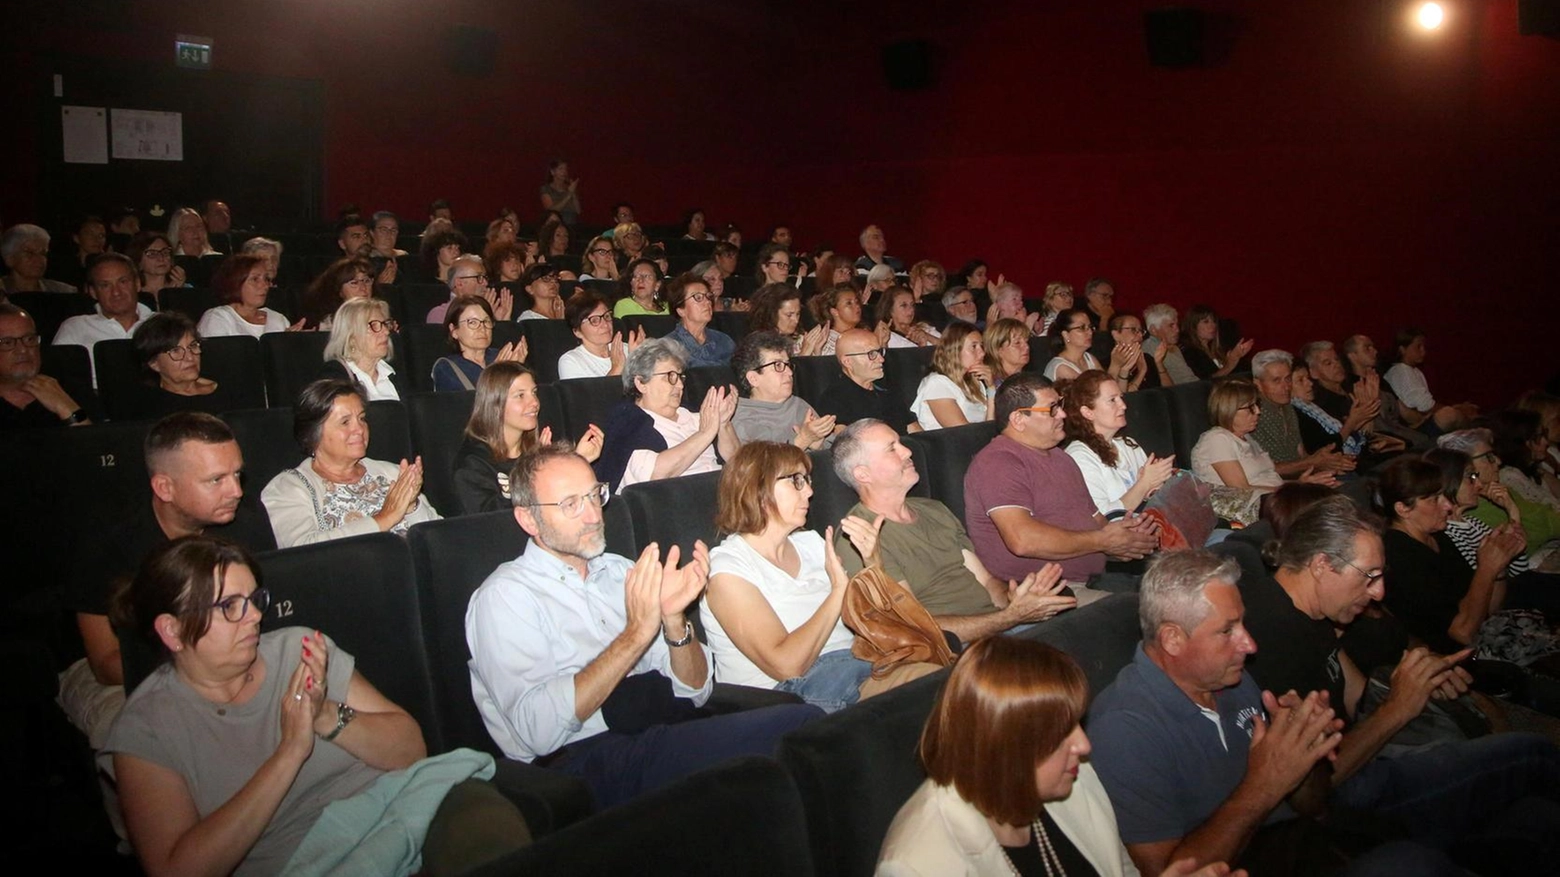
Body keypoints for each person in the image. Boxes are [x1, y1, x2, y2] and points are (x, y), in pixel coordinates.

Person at [105, 536, 522, 876]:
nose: (254, 617)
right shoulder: (147, 726)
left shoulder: (297, 648)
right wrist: (290, 751)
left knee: (483, 824)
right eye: (230, 606)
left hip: (397, 804)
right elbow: (179, 869)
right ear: (172, 630)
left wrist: (327, 716)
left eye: (254, 600)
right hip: (295, 860)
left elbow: (411, 750)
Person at [466, 443, 820, 808]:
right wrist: (635, 634)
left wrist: (673, 621)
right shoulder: (505, 597)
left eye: (594, 496)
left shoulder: (623, 572)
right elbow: (536, 731)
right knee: (800, 729)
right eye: (571, 504)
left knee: (800, 734)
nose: (592, 515)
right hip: (581, 761)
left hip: (659, 729)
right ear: (528, 519)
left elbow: (695, 690)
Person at [1086, 551, 1473, 876]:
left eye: (1244, 625)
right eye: (1228, 631)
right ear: (1172, 638)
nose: (1250, 645)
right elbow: (1171, 872)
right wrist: (1265, 782)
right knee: (1413, 863)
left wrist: (1307, 753)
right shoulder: (1125, 729)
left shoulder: (1234, 684)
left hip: (1303, 844)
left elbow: (1310, 804)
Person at [1241, 496, 1560, 869]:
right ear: (1322, 565)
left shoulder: (1308, 612)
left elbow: (1357, 689)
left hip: (1371, 754)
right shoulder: (1273, 639)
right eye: (1369, 576)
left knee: (1538, 818)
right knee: (1532, 754)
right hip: (1353, 794)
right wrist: (1398, 708)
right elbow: (1315, 788)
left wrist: (1418, 678)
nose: (1378, 592)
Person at [878, 637, 1243, 877]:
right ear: (1008, 747)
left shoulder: (1075, 778)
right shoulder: (919, 864)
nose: (1084, 745)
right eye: (1060, 734)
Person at [59, 412, 267, 748]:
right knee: (148, 740)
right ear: (164, 487)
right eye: (216, 480)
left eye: (237, 474)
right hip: (127, 673)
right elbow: (105, 664)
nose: (236, 491)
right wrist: (207, 666)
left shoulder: (248, 524)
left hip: (229, 653)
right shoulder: (108, 541)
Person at [831, 419, 1077, 642]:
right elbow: (914, 626)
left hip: (998, 629)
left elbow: (986, 582)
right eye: (891, 448)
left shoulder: (934, 510)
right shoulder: (859, 537)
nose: (907, 451)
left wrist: (1017, 599)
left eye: (901, 444)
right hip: (952, 648)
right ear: (863, 474)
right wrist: (1011, 617)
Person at [702, 442, 885, 711]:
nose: (810, 491)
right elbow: (787, 665)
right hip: (790, 696)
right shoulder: (727, 570)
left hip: (853, 664)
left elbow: (873, 623)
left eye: (807, 480)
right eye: (796, 481)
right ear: (758, 489)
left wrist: (873, 563)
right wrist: (837, 592)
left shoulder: (810, 544)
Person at [965, 373, 1160, 594]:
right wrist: (1104, 541)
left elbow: (1096, 522)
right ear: (1019, 419)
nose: (1063, 414)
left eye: (1061, 405)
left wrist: (1126, 540)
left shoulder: (1061, 457)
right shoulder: (998, 462)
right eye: (1052, 409)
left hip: (1096, 577)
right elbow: (1022, 540)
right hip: (1047, 590)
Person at [262, 379, 439, 547]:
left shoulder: (392, 473)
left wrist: (412, 507)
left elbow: (438, 541)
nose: (359, 429)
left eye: (362, 419)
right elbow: (304, 550)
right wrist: (383, 519)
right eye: (345, 422)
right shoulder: (288, 488)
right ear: (313, 434)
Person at [1378, 456, 1525, 654]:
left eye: (1444, 496)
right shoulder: (1398, 556)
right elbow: (1462, 633)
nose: (1448, 505)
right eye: (1434, 499)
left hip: (1484, 641)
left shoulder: (1438, 536)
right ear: (1403, 509)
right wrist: (1486, 568)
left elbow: (1488, 610)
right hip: (1453, 658)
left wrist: (1499, 562)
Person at [452, 362, 602, 514]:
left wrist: (575, 462)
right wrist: (541, 473)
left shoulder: (537, 448)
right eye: (520, 395)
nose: (535, 403)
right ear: (495, 404)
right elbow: (494, 521)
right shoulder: (472, 464)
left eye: (534, 392)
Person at [595, 338, 738, 491]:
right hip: (680, 504)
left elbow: (739, 463)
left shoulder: (694, 415)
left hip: (724, 494)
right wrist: (704, 434)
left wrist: (724, 425)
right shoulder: (629, 423)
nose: (680, 385)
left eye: (680, 377)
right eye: (670, 377)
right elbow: (656, 476)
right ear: (641, 383)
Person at [1443, 427, 1560, 569]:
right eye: (1489, 457)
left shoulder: (1494, 492)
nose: (1498, 461)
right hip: (1538, 559)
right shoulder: (1471, 507)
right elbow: (1530, 541)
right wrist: (1512, 509)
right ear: (1460, 466)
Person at [1062, 370, 1176, 516]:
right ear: (1087, 412)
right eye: (1112, 400)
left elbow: (1143, 500)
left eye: (1121, 398)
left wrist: (1154, 486)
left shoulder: (1127, 445)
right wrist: (1145, 483)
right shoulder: (1079, 456)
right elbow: (1102, 517)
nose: (1123, 405)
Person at [1191, 380, 1330, 493]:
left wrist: (1300, 483)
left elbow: (1267, 480)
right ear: (1229, 410)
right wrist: (1293, 490)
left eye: (1257, 405)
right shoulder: (1217, 440)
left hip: (1273, 501)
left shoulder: (1248, 438)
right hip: (1252, 510)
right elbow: (1241, 490)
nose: (1258, 411)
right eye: (1250, 408)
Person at [1248, 349, 1358, 480]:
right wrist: (1314, 463)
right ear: (1258, 384)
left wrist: (1327, 464)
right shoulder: (1253, 414)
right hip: (1279, 488)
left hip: (1302, 478)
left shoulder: (1287, 406)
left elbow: (1302, 454)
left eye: (1288, 379)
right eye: (1276, 381)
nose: (1286, 386)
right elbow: (1266, 470)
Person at [53, 253, 154, 385]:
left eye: (123, 282)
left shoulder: (164, 323)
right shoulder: (75, 327)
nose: (116, 292)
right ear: (93, 292)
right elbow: (57, 380)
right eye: (105, 285)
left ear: (137, 284)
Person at [120, 313, 239, 419]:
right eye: (176, 351)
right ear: (154, 363)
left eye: (192, 346)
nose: (190, 357)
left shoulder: (230, 390)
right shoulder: (148, 410)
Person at [731, 330, 836, 449]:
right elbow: (764, 465)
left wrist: (818, 446)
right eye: (778, 365)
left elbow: (834, 452)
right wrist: (803, 440)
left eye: (787, 364)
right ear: (753, 378)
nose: (790, 372)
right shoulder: (742, 417)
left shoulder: (798, 405)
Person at [1288, 359, 1402, 459]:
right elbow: (1328, 446)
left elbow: (1355, 433)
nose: (1310, 383)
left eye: (1307, 378)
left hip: (1358, 451)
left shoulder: (1311, 407)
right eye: (1300, 380)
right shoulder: (1297, 412)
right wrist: (1354, 420)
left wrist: (1366, 409)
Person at [0, 303, 90, 428]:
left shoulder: (65, 389)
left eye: (29, 339)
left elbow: (98, 444)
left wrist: (65, 407)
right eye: (7, 342)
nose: (23, 349)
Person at [813, 327, 917, 433]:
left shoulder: (888, 390)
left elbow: (915, 430)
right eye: (872, 354)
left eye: (880, 352)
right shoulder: (833, 400)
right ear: (847, 362)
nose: (881, 359)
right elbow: (846, 445)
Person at [1383, 328, 1475, 435]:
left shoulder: (1415, 371)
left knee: (1460, 410)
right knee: (1451, 415)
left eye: (1423, 347)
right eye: (1418, 347)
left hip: (1423, 417)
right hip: (1411, 426)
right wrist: (1458, 410)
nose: (1423, 351)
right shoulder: (1400, 371)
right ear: (1403, 349)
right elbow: (1424, 406)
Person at [430, 295, 527, 392]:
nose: (482, 328)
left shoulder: (503, 357)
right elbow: (466, 404)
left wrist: (517, 369)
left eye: (486, 321)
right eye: (472, 322)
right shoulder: (446, 367)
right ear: (454, 330)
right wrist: (495, 375)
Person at [912, 322, 995, 430]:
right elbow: (963, 434)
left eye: (981, 346)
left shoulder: (975, 382)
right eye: (974, 346)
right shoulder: (937, 384)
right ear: (955, 350)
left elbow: (990, 427)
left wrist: (991, 389)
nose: (982, 353)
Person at [319, 297, 403, 401]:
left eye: (385, 324)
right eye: (374, 325)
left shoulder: (393, 373)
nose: (386, 332)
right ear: (350, 336)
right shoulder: (335, 376)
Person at [197, 254, 301, 338]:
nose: (265, 286)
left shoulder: (278, 319)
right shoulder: (218, 318)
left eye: (266, 279)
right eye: (255, 279)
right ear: (235, 282)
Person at [558, 289, 643, 380]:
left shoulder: (626, 349)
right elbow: (587, 394)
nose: (605, 324)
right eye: (594, 320)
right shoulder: (571, 361)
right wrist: (617, 367)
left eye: (607, 316)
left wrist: (638, 359)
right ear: (577, 331)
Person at [664, 272, 735, 366]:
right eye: (698, 297)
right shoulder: (668, 347)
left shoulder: (724, 341)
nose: (707, 302)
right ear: (681, 310)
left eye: (708, 296)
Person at [748, 282, 827, 356]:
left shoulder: (800, 339)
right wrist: (803, 354)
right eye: (789, 315)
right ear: (772, 314)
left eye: (798, 314)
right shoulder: (759, 344)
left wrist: (816, 351)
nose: (796, 320)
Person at [1178, 305, 1253, 380]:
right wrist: (1230, 364)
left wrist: (1237, 357)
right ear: (1193, 326)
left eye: (1214, 321)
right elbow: (1204, 382)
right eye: (1206, 322)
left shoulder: (1220, 348)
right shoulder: (1190, 353)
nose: (1213, 325)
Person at [299, 257, 375, 331]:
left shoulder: (382, 315)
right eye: (354, 283)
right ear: (339, 290)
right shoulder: (329, 325)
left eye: (367, 281)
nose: (363, 288)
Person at [1, 224, 76, 293]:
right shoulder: (2, 290)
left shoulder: (64, 292)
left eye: (43, 253)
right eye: (29, 253)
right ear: (9, 258)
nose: (39, 259)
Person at [428, 254, 493, 324]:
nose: (485, 283)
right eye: (479, 278)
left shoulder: (493, 311)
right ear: (459, 283)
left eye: (485, 278)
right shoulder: (440, 315)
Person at [1141, 304, 1196, 387]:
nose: (1177, 330)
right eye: (1171, 326)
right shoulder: (1149, 349)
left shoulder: (1174, 347)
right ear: (1153, 330)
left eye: (1177, 324)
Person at [1044, 308, 1105, 381]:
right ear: (1066, 335)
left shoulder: (1089, 358)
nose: (1090, 332)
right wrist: (1115, 365)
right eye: (1082, 328)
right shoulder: (1061, 367)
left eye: (1090, 327)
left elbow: (1109, 386)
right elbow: (1092, 391)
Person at [128, 231, 188, 303]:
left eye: (165, 252)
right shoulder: (131, 295)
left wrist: (176, 292)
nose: (161, 258)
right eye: (152, 254)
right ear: (138, 262)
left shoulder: (187, 289)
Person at [812, 283, 866, 355]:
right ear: (835, 312)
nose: (857, 306)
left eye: (857, 302)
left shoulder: (863, 333)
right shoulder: (827, 343)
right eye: (849, 303)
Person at [983, 317, 1031, 385]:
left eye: (1026, 341)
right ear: (998, 350)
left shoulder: (1030, 380)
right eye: (1017, 343)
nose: (1027, 347)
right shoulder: (992, 384)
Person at [539, 158, 581, 225]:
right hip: (556, 225)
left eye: (565, 169)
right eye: (561, 169)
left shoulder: (569, 187)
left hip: (572, 224)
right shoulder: (546, 189)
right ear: (552, 172)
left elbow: (578, 211)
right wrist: (569, 194)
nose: (564, 172)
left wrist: (573, 193)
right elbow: (551, 211)